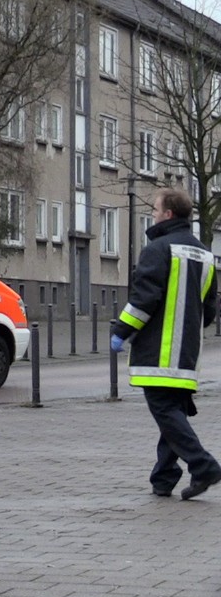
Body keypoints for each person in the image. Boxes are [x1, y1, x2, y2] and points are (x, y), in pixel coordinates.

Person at [112, 188, 220, 500]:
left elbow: (143, 301)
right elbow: (210, 310)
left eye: (156, 209)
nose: (154, 214)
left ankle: (204, 465)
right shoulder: (205, 255)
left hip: (158, 354)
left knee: (166, 412)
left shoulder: (158, 250)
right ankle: (163, 477)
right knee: (172, 413)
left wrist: (122, 331)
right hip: (188, 355)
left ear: (168, 214)